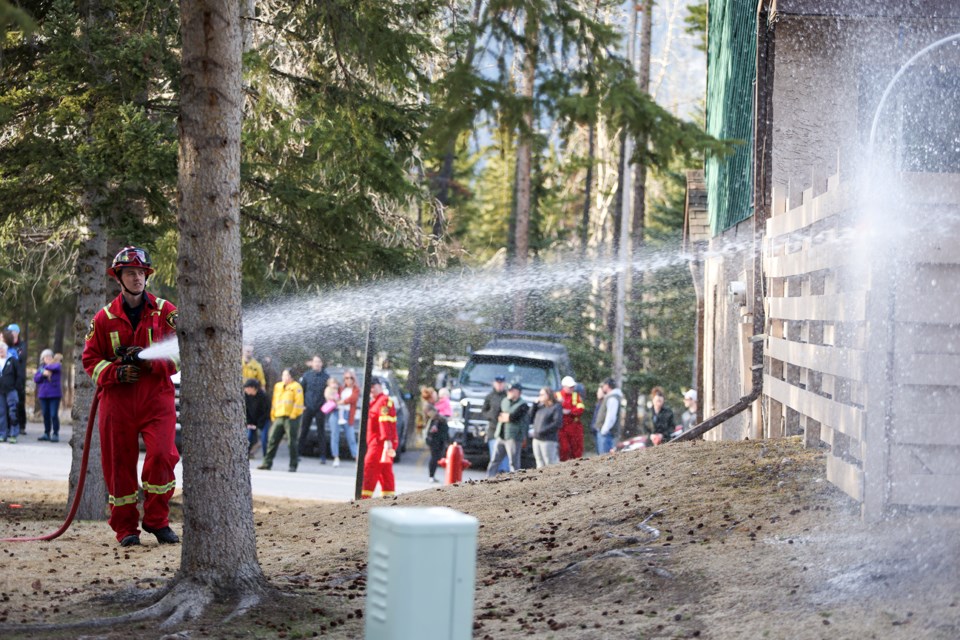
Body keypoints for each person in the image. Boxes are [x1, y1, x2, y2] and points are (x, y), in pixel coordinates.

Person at [81, 246, 180, 546]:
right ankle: (125, 529)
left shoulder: (166, 312)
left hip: (156, 398)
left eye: (141, 273)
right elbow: (90, 360)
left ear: (147, 276)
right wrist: (116, 373)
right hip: (118, 402)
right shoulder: (103, 317)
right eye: (130, 273)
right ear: (118, 278)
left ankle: (156, 520)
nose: (137, 278)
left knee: (163, 455)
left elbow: (178, 356)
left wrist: (149, 360)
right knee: (118, 464)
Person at [259, 368, 305, 472]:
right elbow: (275, 401)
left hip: (291, 418)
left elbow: (299, 403)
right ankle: (267, 463)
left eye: (286, 375)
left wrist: (293, 415)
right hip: (279, 416)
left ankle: (293, 465)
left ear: (291, 377)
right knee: (272, 440)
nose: (284, 377)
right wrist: (273, 414)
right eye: (283, 375)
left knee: (291, 442)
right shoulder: (278, 386)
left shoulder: (296, 387)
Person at [361, 377, 398, 499]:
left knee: (369, 470)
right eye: (369, 386)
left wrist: (387, 441)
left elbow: (385, 422)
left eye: (373, 386)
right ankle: (389, 500)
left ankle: (363, 500)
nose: (371, 389)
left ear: (380, 386)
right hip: (377, 443)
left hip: (380, 444)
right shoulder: (375, 402)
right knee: (385, 473)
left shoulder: (383, 401)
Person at [486, 382, 529, 476]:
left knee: (513, 461)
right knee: (494, 460)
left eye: (512, 390)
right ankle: (489, 477)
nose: (510, 392)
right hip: (501, 435)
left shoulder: (523, 405)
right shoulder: (504, 401)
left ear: (518, 392)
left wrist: (508, 417)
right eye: (509, 390)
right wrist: (507, 417)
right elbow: (498, 415)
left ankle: (516, 480)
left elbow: (513, 417)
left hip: (513, 436)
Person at [297, 355, 330, 464]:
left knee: (321, 432)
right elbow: (300, 391)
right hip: (308, 407)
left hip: (320, 408)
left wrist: (326, 405)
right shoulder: (307, 376)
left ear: (321, 363)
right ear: (312, 363)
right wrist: (302, 405)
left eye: (319, 361)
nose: (317, 363)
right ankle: (297, 454)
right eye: (315, 361)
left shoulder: (326, 377)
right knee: (304, 431)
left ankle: (323, 457)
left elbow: (330, 392)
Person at [332, 369, 360, 466]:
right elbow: (334, 395)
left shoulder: (356, 389)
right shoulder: (341, 388)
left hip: (347, 414)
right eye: (346, 378)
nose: (348, 380)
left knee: (351, 437)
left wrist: (342, 402)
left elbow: (353, 399)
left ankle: (356, 458)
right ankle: (336, 457)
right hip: (337, 412)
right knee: (335, 436)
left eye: (350, 378)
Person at [481, 375, 508, 471]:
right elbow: (484, 411)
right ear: (494, 383)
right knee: (494, 456)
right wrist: (491, 416)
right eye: (498, 383)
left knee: (505, 457)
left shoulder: (507, 396)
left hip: (505, 431)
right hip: (493, 430)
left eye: (501, 383)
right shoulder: (489, 397)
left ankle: (504, 474)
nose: (499, 385)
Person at [34, 349, 62, 442]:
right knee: (46, 414)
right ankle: (46, 433)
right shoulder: (41, 368)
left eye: (50, 356)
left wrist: (47, 368)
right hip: (43, 395)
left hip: (54, 395)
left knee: (53, 414)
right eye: (46, 357)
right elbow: (36, 379)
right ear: (43, 359)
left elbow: (56, 368)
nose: (48, 358)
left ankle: (55, 433)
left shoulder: (56, 365)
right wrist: (43, 373)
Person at [530, 387, 562, 468]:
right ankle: (541, 480)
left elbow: (557, 423)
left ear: (549, 395)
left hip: (548, 440)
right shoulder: (540, 406)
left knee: (550, 463)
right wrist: (534, 405)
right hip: (537, 438)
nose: (540, 396)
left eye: (542, 394)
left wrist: (543, 430)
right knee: (539, 463)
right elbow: (530, 418)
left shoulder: (556, 407)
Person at [556, 375, 585, 461]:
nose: (572, 388)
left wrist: (570, 412)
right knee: (564, 449)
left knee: (577, 449)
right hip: (562, 427)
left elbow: (581, 408)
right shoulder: (557, 395)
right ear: (564, 386)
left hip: (575, 426)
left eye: (573, 386)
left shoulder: (576, 396)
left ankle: (577, 466)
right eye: (570, 387)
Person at [4, 324, 26, 434]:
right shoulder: (6, 346)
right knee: (6, 406)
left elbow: (21, 357)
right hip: (7, 381)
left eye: (12, 331)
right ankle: (6, 428)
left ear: (16, 333)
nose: (10, 333)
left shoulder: (21, 345)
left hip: (18, 378)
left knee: (19, 404)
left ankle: (20, 426)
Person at [595, 377, 623, 454]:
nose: (602, 387)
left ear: (607, 386)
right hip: (607, 433)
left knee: (605, 458)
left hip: (607, 434)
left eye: (603, 385)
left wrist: (604, 430)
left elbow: (611, 417)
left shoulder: (612, 398)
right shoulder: (611, 397)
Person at [243, 378, 271, 458]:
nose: (246, 390)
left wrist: (259, 424)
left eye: (247, 388)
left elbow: (266, 411)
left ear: (253, 388)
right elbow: (246, 411)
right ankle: (246, 454)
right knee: (248, 436)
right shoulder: (246, 396)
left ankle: (266, 456)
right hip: (251, 420)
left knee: (264, 438)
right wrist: (249, 422)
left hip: (263, 420)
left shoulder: (263, 396)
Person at [423, 403, 450, 483]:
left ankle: (432, 476)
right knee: (434, 458)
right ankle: (431, 476)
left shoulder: (437, 419)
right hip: (435, 442)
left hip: (438, 441)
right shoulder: (433, 420)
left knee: (436, 458)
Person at [0, 342, 20, 443]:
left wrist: (16, 387)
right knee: (1, 413)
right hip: (0, 391)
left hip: (11, 390)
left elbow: (19, 375)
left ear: (6, 349)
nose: (0, 351)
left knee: (13, 412)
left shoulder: (13, 360)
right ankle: (2, 434)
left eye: (2, 349)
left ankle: (13, 434)